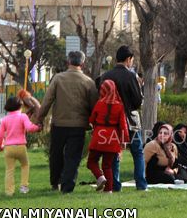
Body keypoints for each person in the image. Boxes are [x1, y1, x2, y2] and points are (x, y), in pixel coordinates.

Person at [37, 51, 97, 193]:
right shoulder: (88, 82)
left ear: (68, 62)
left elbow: (47, 101)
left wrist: (40, 117)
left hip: (59, 123)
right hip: (78, 125)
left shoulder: (58, 79)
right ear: (82, 63)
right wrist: (93, 123)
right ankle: (67, 186)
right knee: (73, 156)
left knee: (56, 154)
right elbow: (94, 105)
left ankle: (55, 181)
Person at [99, 45, 147, 191]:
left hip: (111, 122)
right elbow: (138, 102)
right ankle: (141, 184)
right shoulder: (131, 76)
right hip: (130, 121)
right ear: (128, 59)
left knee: (113, 154)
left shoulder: (106, 76)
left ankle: (115, 185)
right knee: (137, 153)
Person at [86, 79, 130, 193]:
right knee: (107, 165)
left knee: (91, 161)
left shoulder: (99, 103)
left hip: (99, 136)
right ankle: (109, 190)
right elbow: (123, 124)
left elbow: (92, 119)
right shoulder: (119, 106)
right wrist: (124, 140)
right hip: (113, 138)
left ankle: (100, 177)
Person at [0, 96, 41, 196]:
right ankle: (24, 187)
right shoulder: (23, 117)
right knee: (25, 165)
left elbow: (0, 135)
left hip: (9, 148)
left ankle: (9, 191)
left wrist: (0, 146)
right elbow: (29, 128)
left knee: (9, 170)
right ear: (20, 106)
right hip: (21, 146)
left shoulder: (5, 119)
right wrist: (37, 128)